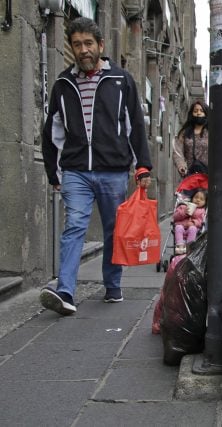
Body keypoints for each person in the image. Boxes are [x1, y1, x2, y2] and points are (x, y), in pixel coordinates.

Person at [40, 17, 152, 316]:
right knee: (74, 225)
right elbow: (53, 130)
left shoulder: (121, 80)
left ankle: (113, 284)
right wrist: (54, 171)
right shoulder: (63, 84)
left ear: (100, 45)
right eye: (76, 44)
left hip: (112, 170)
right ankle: (65, 290)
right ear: (72, 47)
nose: (83, 50)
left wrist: (143, 166)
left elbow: (135, 126)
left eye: (88, 43)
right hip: (76, 169)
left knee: (113, 230)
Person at [173, 100, 208, 177]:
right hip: (190, 176)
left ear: (206, 113)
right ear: (191, 114)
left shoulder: (211, 133)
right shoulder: (184, 133)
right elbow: (177, 151)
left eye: (201, 111)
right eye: (195, 111)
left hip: (208, 177)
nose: (198, 113)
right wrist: (181, 165)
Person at [173, 189, 207, 255]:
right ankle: (180, 247)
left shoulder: (202, 211)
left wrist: (194, 222)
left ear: (205, 202)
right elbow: (175, 217)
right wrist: (184, 212)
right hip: (181, 227)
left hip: (193, 230)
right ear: (192, 198)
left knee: (193, 228)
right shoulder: (183, 206)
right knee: (178, 227)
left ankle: (189, 247)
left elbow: (201, 221)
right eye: (196, 197)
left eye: (201, 199)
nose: (198, 200)